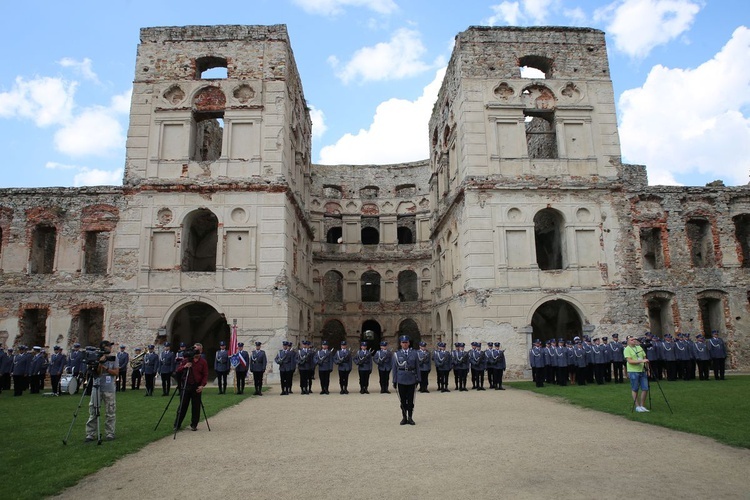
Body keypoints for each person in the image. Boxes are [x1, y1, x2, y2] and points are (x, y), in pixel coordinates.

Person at [85, 340, 118, 442]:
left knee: (110, 411)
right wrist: (99, 362)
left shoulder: (114, 358)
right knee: (93, 411)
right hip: (97, 387)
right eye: (107, 347)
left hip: (109, 388)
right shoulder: (95, 357)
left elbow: (116, 372)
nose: (109, 348)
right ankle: (90, 433)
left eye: (110, 347)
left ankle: (110, 433)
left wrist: (106, 368)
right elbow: (96, 373)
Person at [174, 348, 208, 431]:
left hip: (196, 386)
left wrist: (202, 385)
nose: (196, 353)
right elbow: (177, 370)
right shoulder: (186, 360)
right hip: (186, 385)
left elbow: (205, 374)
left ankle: (194, 424)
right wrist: (185, 366)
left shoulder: (203, 362)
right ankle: (177, 424)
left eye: (198, 351)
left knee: (196, 406)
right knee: (182, 405)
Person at [392, 335, 419, 425]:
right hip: (401, 378)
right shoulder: (397, 354)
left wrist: (418, 378)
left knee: (411, 400)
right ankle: (404, 417)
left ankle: (410, 417)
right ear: (400, 344)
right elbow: (395, 368)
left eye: (406, 342)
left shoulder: (414, 353)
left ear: (409, 343)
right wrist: (394, 380)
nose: (405, 344)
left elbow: (417, 367)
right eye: (403, 342)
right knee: (403, 400)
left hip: (411, 378)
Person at [624, 335, 649, 413]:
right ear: (628, 342)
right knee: (635, 388)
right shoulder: (627, 349)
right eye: (632, 340)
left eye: (634, 339)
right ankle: (637, 406)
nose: (634, 341)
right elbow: (630, 361)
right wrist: (641, 361)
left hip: (642, 370)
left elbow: (644, 357)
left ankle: (642, 405)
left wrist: (647, 368)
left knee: (645, 388)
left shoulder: (639, 347)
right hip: (633, 371)